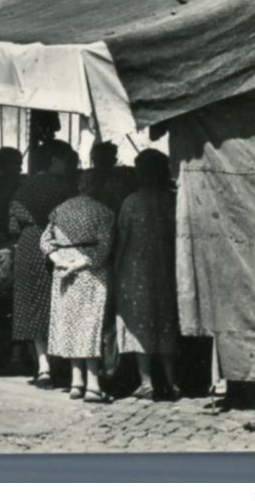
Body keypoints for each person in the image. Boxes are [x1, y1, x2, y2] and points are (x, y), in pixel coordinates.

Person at [41, 170, 118, 403]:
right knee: (90, 326)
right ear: (96, 187)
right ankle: (93, 385)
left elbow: (44, 241)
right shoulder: (103, 212)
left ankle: (76, 382)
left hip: (63, 272)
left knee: (71, 325)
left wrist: (60, 260)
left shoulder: (60, 209)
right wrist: (79, 264)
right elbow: (104, 248)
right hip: (89, 273)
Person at [9, 139, 78, 388]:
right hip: (57, 247)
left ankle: (43, 366)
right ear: (54, 160)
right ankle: (60, 362)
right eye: (64, 159)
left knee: (33, 306)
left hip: (29, 246)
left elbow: (13, 223)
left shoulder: (25, 187)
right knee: (56, 304)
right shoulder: (67, 189)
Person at [114, 149, 181, 400]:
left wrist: (117, 269)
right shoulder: (171, 200)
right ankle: (172, 382)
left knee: (140, 324)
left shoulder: (131, 202)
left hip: (135, 269)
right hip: (165, 268)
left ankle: (147, 382)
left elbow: (123, 239)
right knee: (165, 322)